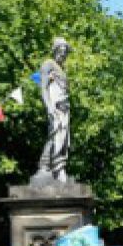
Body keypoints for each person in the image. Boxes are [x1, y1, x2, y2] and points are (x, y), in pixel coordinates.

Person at [35, 37, 71, 182]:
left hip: (65, 109)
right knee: (55, 135)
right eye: (61, 51)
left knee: (63, 140)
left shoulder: (63, 71)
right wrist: (49, 107)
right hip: (54, 107)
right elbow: (43, 88)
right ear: (55, 50)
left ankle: (59, 168)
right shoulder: (48, 64)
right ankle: (44, 167)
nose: (63, 55)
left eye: (65, 52)